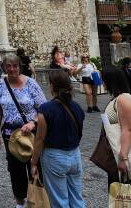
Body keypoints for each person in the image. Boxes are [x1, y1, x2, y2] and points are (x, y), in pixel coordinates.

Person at [0, 54, 47, 208]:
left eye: (14, 66)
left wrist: (33, 123)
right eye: (8, 66)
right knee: (15, 170)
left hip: (31, 134)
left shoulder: (31, 84)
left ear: (19, 67)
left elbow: (44, 109)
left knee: (35, 167)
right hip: (11, 136)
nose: (11, 69)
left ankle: (37, 201)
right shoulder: (0, 85)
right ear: (4, 67)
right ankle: (20, 202)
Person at [31, 69, 86, 207]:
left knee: (59, 201)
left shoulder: (45, 109)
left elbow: (40, 139)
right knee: (77, 198)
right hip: (75, 155)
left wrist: (34, 162)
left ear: (51, 86)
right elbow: (79, 132)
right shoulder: (77, 107)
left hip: (54, 156)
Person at [100, 66, 131, 207]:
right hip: (119, 155)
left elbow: (128, 129)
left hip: (129, 157)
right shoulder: (118, 98)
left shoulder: (123, 99)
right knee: (124, 199)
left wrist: (123, 158)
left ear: (111, 81)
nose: (102, 83)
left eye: (103, 79)